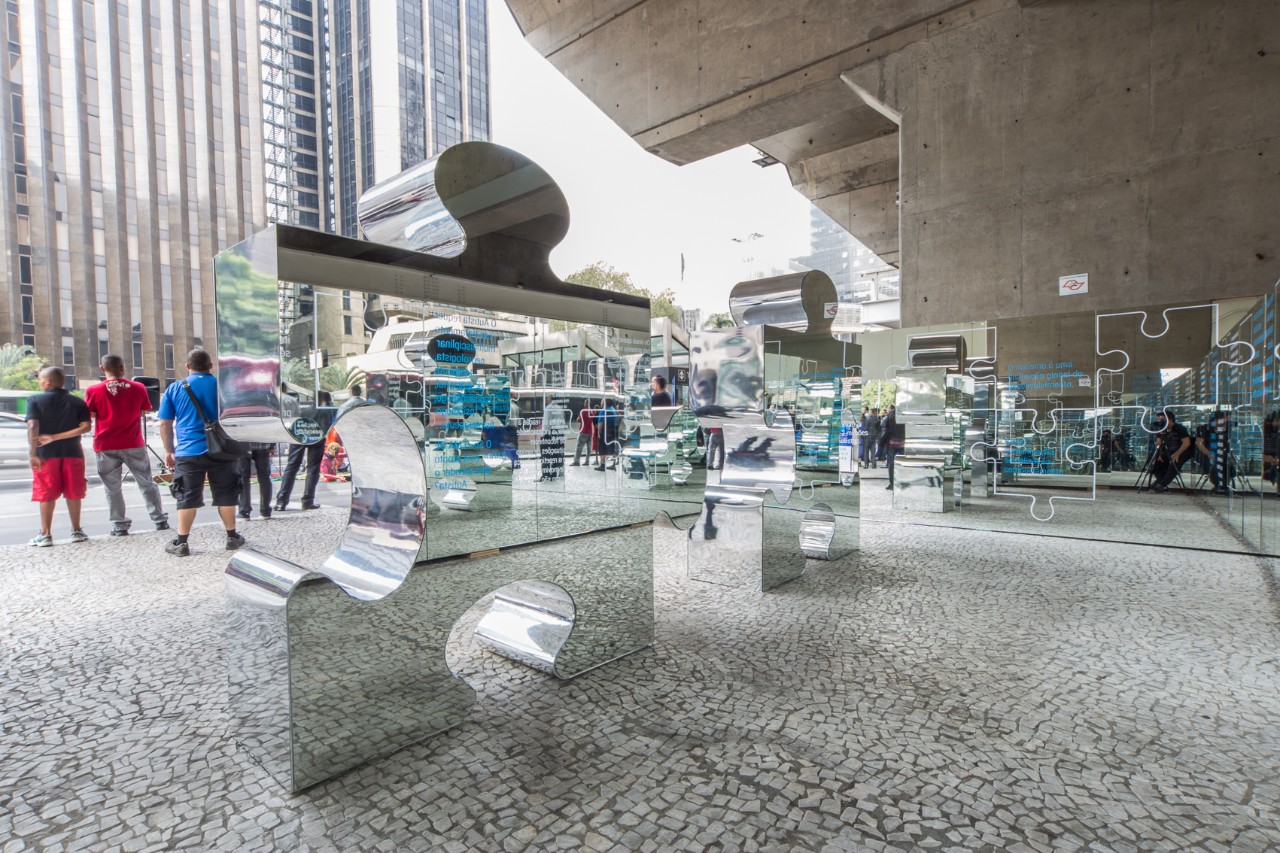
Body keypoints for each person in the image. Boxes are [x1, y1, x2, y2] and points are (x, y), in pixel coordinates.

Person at [157, 348, 245, 556]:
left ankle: (182, 542)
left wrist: (169, 450)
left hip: (188, 451)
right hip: (222, 449)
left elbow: (165, 423)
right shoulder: (223, 386)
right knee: (226, 493)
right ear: (210, 366)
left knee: (186, 495)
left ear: (187, 367)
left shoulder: (175, 388)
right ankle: (232, 537)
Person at [84, 354, 170, 536]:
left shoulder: (93, 390)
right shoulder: (138, 387)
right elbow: (144, 409)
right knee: (146, 483)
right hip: (133, 442)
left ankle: (119, 525)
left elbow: (90, 414)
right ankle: (159, 519)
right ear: (122, 367)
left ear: (102, 369)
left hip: (105, 444)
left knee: (112, 487)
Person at [25, 367, 92, 546]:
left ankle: (45, 534)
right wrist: (58, 437)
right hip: (74, 453)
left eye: (40, 379)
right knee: (73, 493)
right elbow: (86, 427)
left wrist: (33, 453)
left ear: (48, 382)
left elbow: (32, 427)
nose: (39, 383)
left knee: (46, 494)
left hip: (46, 455)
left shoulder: (35, 400)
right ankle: (76, 531)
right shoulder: (77, 402)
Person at [276, 390, 332, 511]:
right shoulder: (327, 410)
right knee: (313, 468)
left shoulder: (305, 410)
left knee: (291, 467)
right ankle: (307, 501)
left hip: (299, 436)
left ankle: (281, 501)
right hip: (317, 438)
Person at [1150, 410, 1192, 493]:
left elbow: (1187, 442)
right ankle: (1161, 482)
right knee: (1155, 463)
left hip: (1181, 452)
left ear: (1170, 420)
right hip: (1169, 452)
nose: (1161, 422)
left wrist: (1177, 453)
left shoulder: (1179, 428)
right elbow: (1158, 443)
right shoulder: (1162, 430)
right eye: (1160, 420)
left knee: (1174, 463)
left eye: (1163, 420)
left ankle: (1162, 484)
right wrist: (1158, 454)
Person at [1194, 410, 1233, 495]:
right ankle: (1219, 485)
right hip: (1205, 454)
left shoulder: (1226, 430)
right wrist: (1209, 453)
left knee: (1224, 462)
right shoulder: (1204, 428)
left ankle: (1223, 485)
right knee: (1214, 463)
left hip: (1221, 454)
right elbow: (1199, 443)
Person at [237, 442, 274, 519]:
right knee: (264, 477)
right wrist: (272, 446)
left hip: (242, 443)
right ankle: (265, 510)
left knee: (243, 478)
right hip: (262, 443)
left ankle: (244, 511)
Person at [594, 398, 621, 471]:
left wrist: (598, 432)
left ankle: (602, 465)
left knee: (602, 448)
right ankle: (613, 464)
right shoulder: (614, 410)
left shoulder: (603, 410)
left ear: (605, 403)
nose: (601, 403)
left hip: (605, 431)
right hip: (613, 431)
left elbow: (601, 422)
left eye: (602, 402)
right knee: (612, 448)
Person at [882, 404, 902, 490]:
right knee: (902, 463)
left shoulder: (890, 416)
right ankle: (901, 482)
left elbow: (886, 428)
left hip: (891, 443)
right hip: (902, 443)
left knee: (891, 464)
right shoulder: (904, 415)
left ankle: (892, 484)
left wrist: (882, 441)